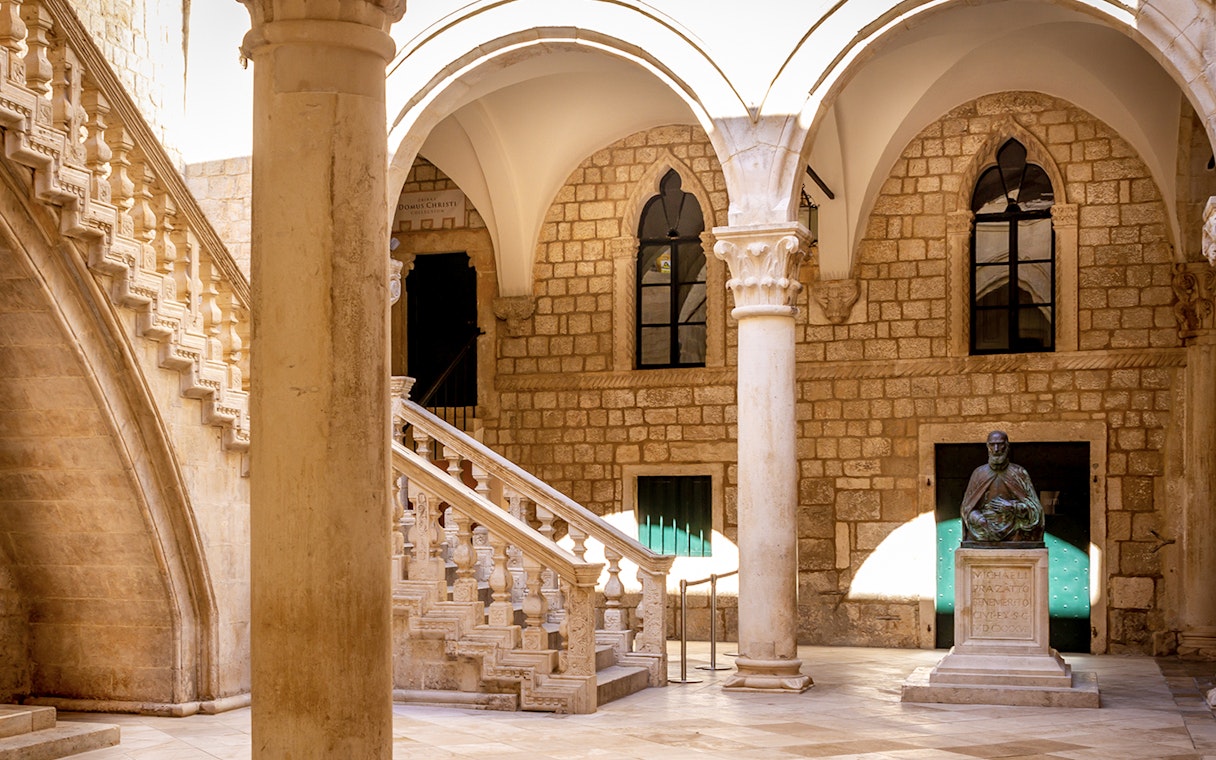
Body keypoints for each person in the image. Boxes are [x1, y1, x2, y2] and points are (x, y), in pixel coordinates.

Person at [960, 431, 1045, 546]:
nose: (996, 449)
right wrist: (980, 520)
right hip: (984, 532)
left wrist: (1013, 507)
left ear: (1007, 446)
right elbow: (967, 508)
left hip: (1015, 533)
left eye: (1000, 444)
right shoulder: (979, 473)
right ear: (987, 446)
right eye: (992, 444)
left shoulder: (1018, 473)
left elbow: (1035, 510)